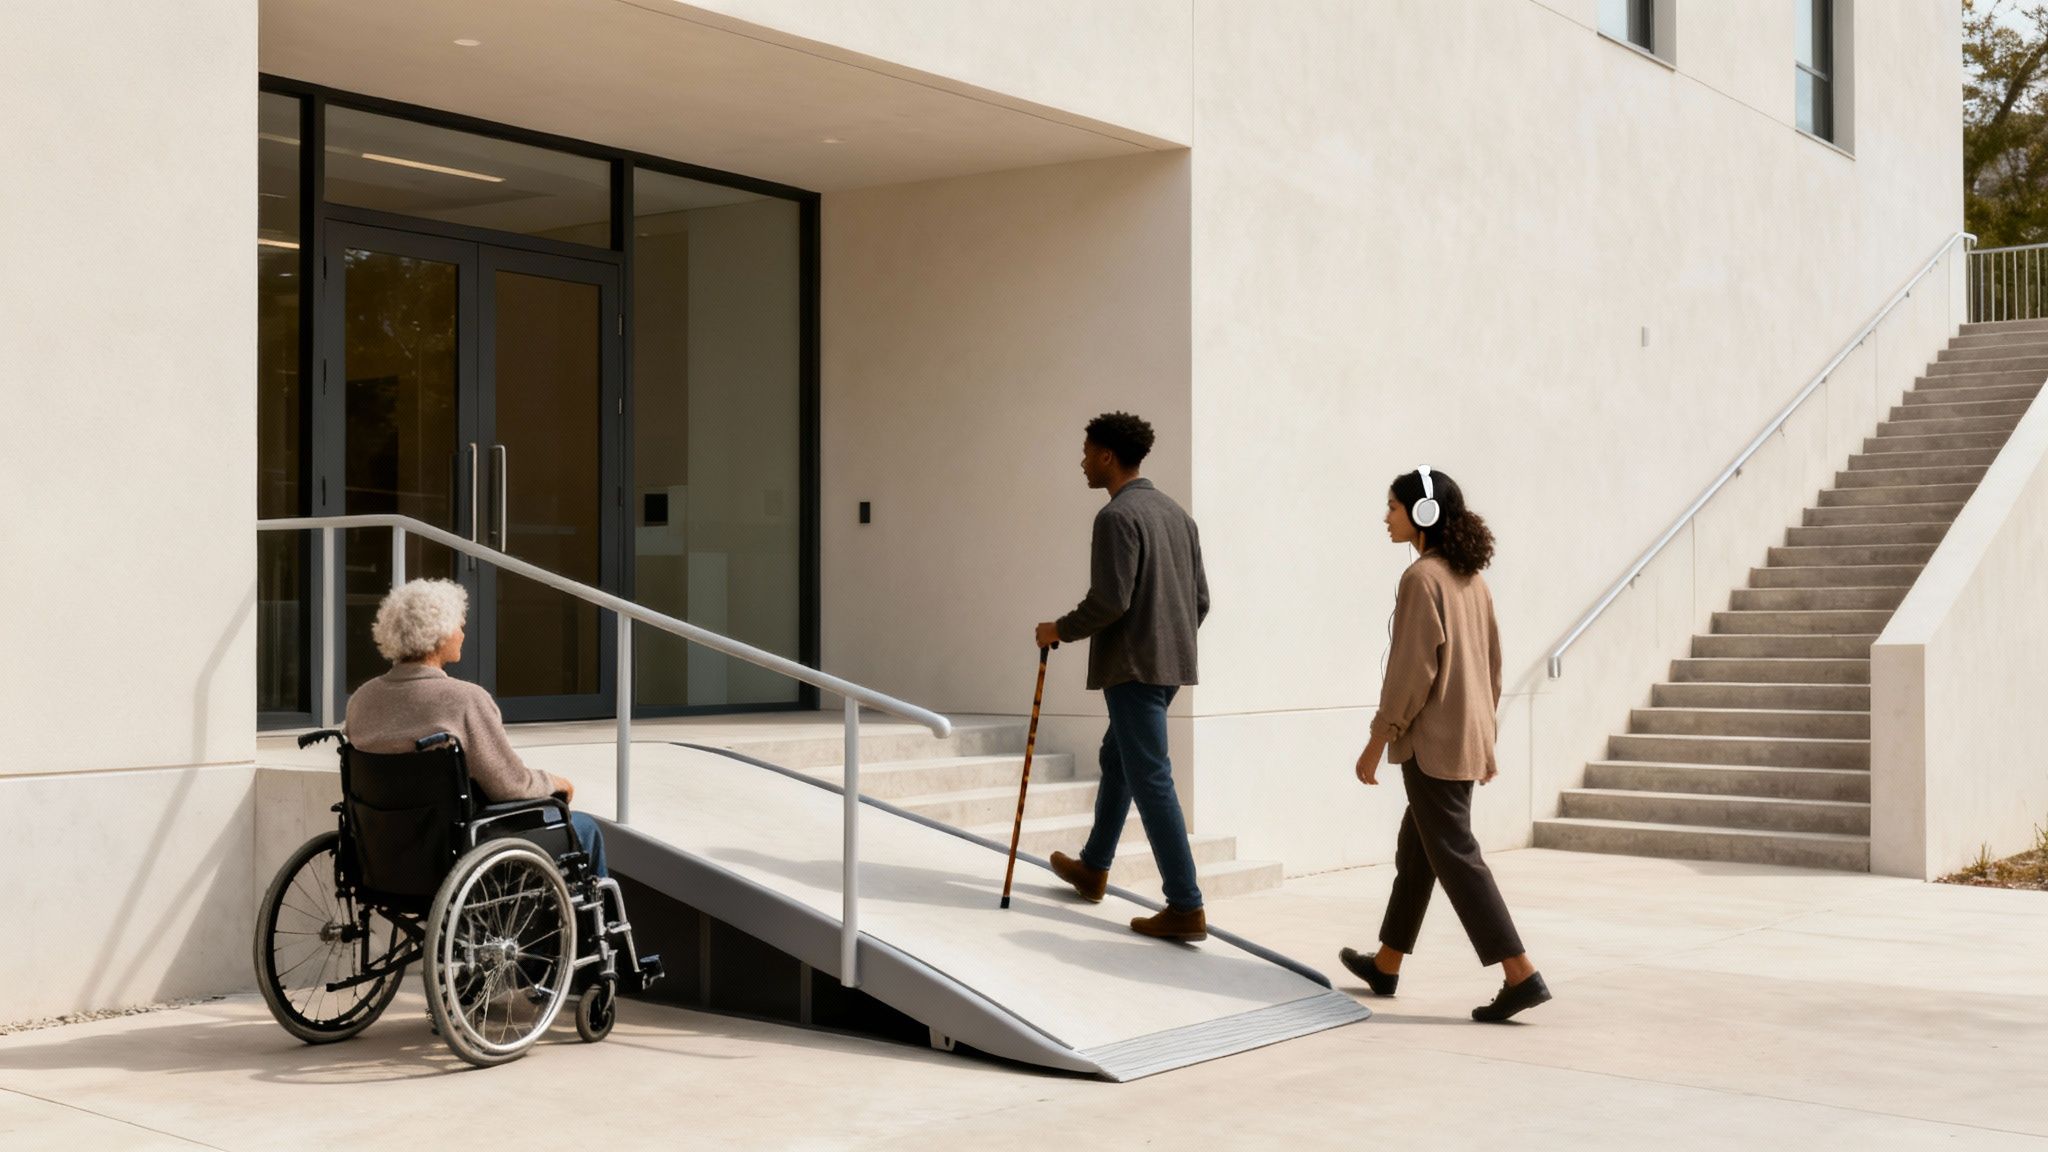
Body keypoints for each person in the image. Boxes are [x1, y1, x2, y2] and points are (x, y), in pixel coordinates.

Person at [1340, 467, 1549, 1022]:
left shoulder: (1421, 580)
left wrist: (1375, 741)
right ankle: (1386, 962)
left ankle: (1520, 973)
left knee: (1454, 855)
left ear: (1423, 514)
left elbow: (1411, 674)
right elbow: (1493, 668)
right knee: (1420, 851)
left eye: (1393, 506)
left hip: (1431, 742)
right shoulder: (1471, 580)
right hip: (1463, 737)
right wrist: (1485, 739)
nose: (1386, 517)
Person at [1036, 411, 1210, 942]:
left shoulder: (1116, 517)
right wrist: (1169, 640)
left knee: (1151, 776)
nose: (1082, 461)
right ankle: (1094, 867)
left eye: (1087, 451)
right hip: (1169, 665)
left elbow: (1111, 600)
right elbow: (1199, 600)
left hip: (1133, 667)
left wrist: (1058, 629)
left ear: (1108, 455)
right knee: (1119, 758)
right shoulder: (1178, 516)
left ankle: (1185, 905)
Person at [344, 578, 607, 878]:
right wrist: (555, 782)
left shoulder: (361, 700)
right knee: (585, 829)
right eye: (459, 624)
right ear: (439, 634)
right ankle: (595, 924)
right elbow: (510, 786)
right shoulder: (465, 700)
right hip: (455, 856)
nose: (463, 633)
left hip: (384, 853)